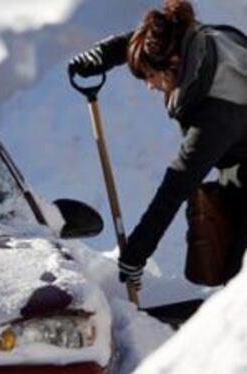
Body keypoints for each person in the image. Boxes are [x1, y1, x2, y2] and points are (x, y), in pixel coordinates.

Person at [68, 0, 247, 290]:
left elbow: (177, 185)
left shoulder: (218, 109)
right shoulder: (192, 40)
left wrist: (136, 253)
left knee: (239, 280)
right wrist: (103, 55)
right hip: (239, 162)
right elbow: (155, 36)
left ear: (174, 65)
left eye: (151, 76)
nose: (150, 86)